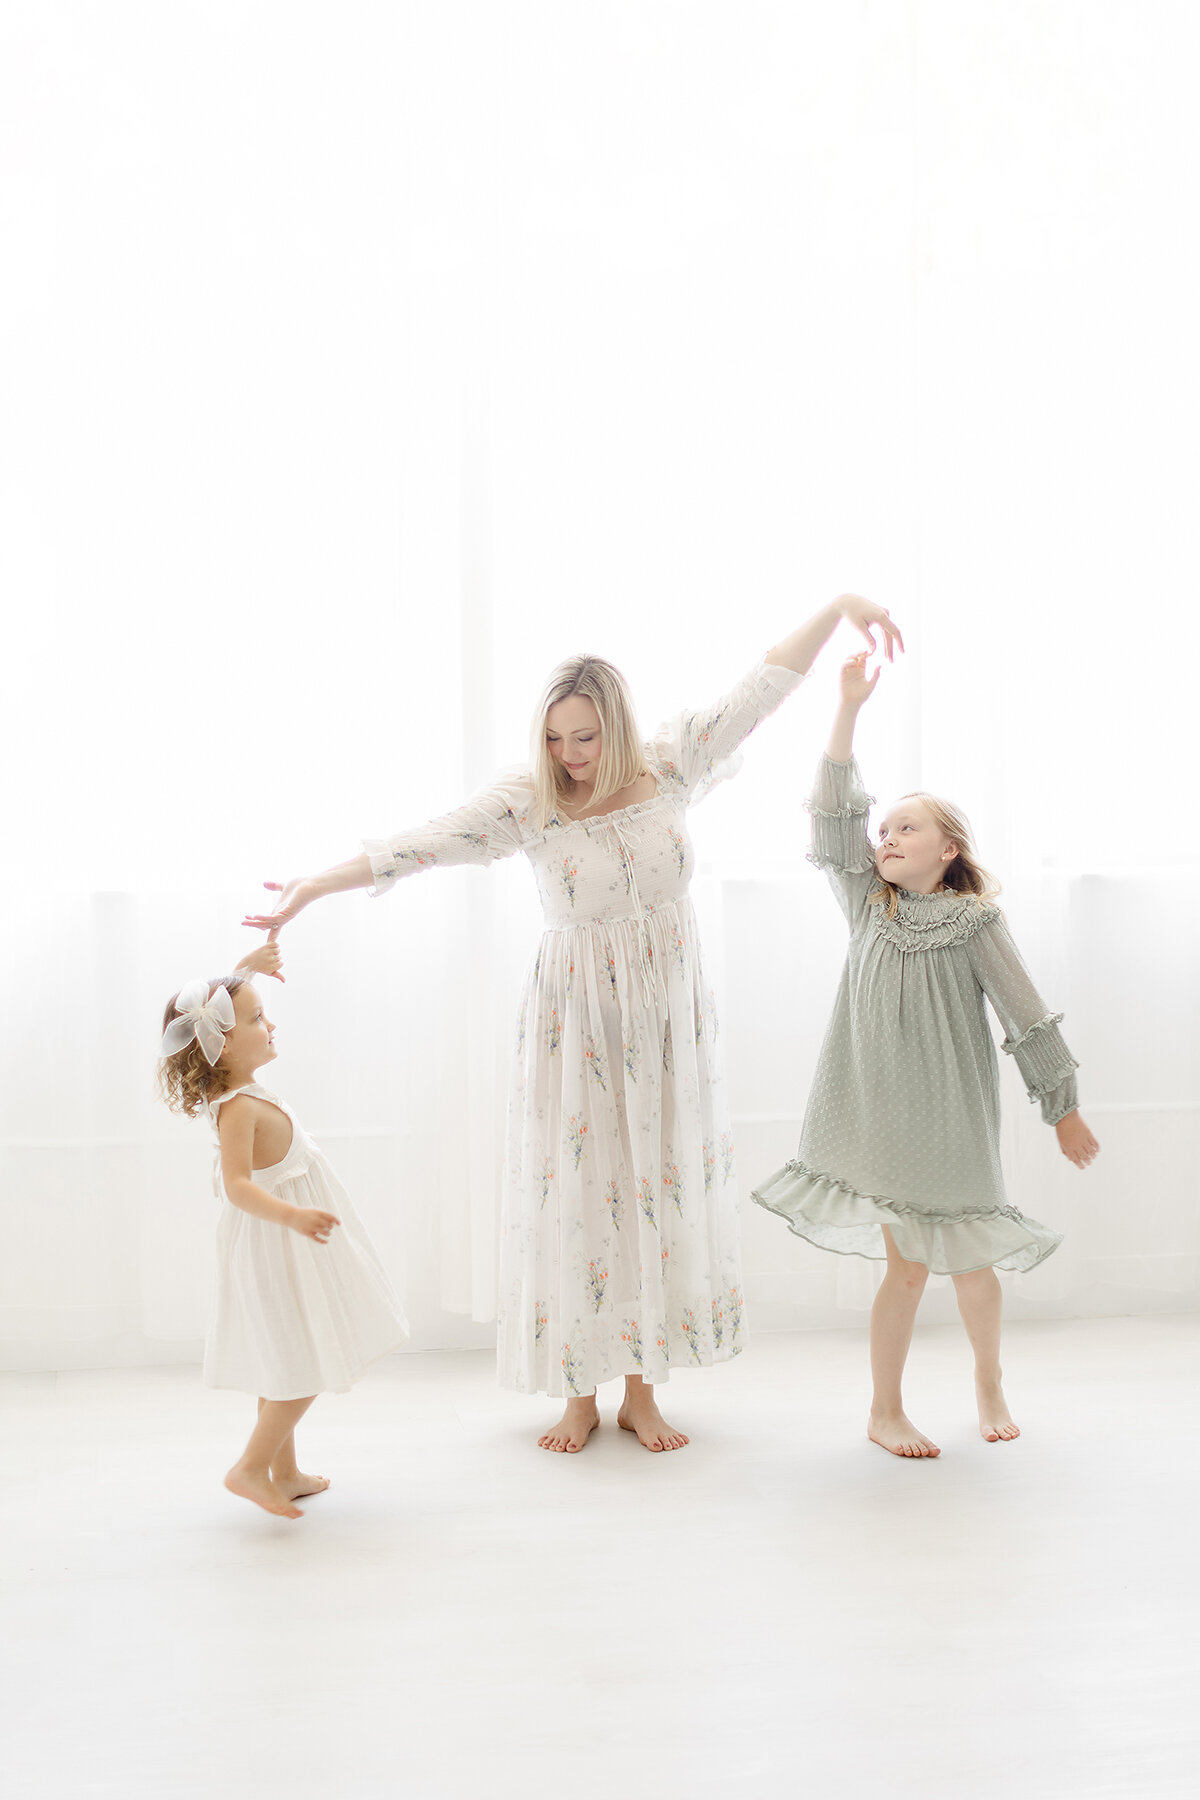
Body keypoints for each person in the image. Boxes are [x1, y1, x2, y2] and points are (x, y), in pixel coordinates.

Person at [243, 597, 903, 1453]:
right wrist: (311, 887)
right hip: (577, 1021)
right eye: (555, 738)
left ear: (617, 728)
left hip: (667, 1018)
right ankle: (576, 1395)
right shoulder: (532, 801)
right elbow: (424, 844)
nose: (569, 756)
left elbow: (764, 684)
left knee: (655, 1187)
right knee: (584, 1196)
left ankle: (642, 1391)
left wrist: (841, 608)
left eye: (584, 738)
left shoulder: (672, 762)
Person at [752, 652, 1099, 1457]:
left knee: (973, 1265)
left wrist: (1064, 1109)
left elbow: (1027, 1018)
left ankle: (988, 1380)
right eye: (885, 831)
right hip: (877, 1119)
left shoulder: (976, 923)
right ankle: (885, 1410)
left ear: (949, 848)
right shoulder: (866, 906)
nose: (888, 837)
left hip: (953, 1121)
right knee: (905, 1270)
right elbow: (835, 817)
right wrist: (846, 709)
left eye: (907, 826)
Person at [157, 937, 407, 1517]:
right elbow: (239, 1185)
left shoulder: (243, 1086)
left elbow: (226, 1004)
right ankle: (250, 1468)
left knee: (286, 1358)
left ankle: (285, 1471)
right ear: (220, 1047)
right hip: (275, 1247)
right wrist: (293, 1215)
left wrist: (249, 968)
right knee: (305, 1359)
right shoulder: (238, 1108)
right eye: (257, 1019)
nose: (270, 1024)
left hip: (289, 1247)